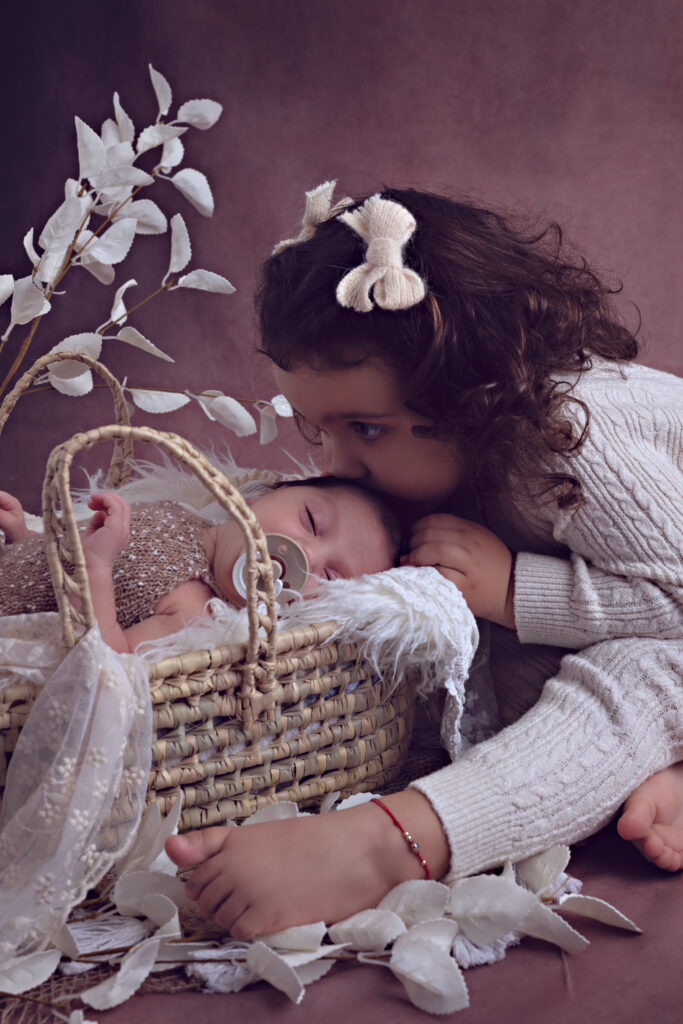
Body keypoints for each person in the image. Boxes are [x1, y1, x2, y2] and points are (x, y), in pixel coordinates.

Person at [165, 184, 683, 940]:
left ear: (469, 393)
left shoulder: (572, 440)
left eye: (367, 429)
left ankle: (389, 845)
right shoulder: (453, 455)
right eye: (319, 429)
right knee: (498, 663)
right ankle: (640, 764)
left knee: (641, 671)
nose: (339, 461)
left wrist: (516, 590)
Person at [0, 475, 400, 653]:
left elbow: (108, 664)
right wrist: (26, 540)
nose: (306, 555)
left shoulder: (194, 612)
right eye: (310, 521)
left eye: (329, 576)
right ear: (260, 496)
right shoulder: (182, 514)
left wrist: (95, 568)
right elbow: (61, 560)